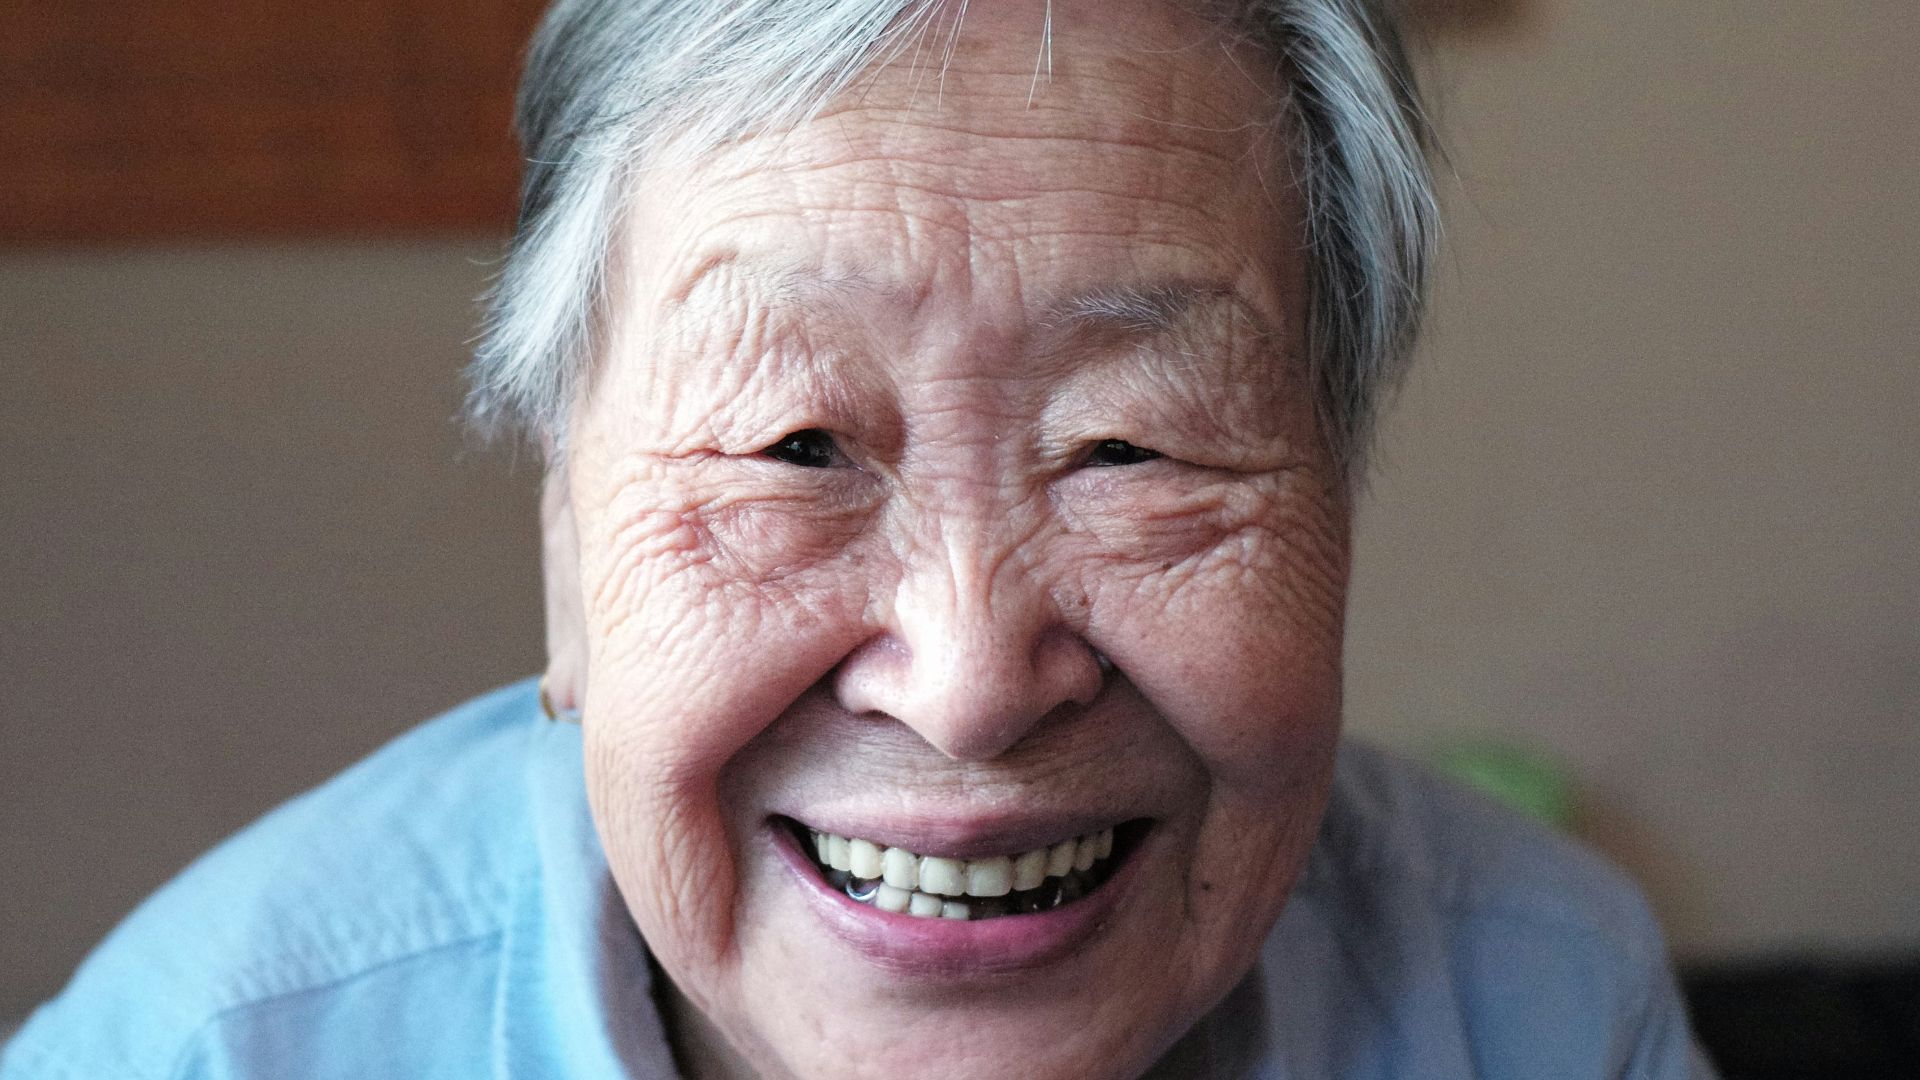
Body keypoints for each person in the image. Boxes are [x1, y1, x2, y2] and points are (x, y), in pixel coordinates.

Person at [0, 1, 1717, 1077]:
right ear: (568, 557)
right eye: (794, 446)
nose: (970, 686)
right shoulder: (213, 1050)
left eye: (1129, 447)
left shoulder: (1537, 1005)